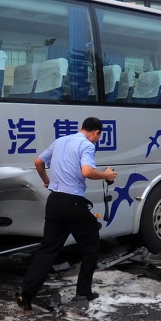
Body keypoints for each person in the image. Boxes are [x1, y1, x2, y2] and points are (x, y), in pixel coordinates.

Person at [17, 117, 117, 310]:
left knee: (47, 249)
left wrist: (46, 181)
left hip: (54, 201)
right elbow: (87, 171)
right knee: (91, 245)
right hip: (73, 203)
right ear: (96, 132)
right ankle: (83, 293)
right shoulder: (87, 146)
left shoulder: (60, 140)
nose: (97, 139)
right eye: (99, 136)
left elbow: (38, 162)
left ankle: (26, 294)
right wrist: (106, 175)